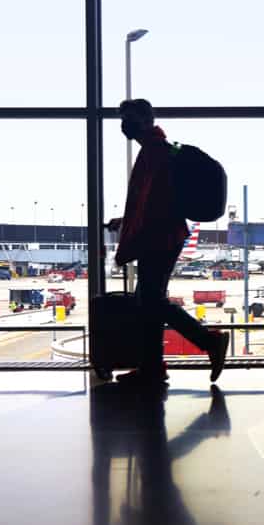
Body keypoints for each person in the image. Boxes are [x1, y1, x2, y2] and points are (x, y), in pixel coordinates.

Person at [107, 99, 228, 387]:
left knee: (151, 300)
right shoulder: (157, 150)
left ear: (146, 119)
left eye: (130, 117)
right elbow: (153, 200)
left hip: (160, 237)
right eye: (123, 118)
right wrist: (126, 221)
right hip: (162, 234)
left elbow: (154, 202)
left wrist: (132, 232)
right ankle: (152, 367)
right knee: (148, 302)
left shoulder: (156, 152)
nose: (126, 123)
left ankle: (209, 342)